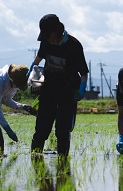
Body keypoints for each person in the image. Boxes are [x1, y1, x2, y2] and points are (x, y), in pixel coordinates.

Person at [29, 14, 89, 155]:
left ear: (56, 31)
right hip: (48, 90)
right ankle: (36, 159)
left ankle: (63, 164)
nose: (46, 38)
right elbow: (39, 58)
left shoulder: (74, 45)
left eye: (48, 34)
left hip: (67, 92)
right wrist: (32, 68)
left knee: (63, 129)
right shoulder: (45, 41)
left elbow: (84, 72)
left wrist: (82, 88)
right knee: (42, 127)